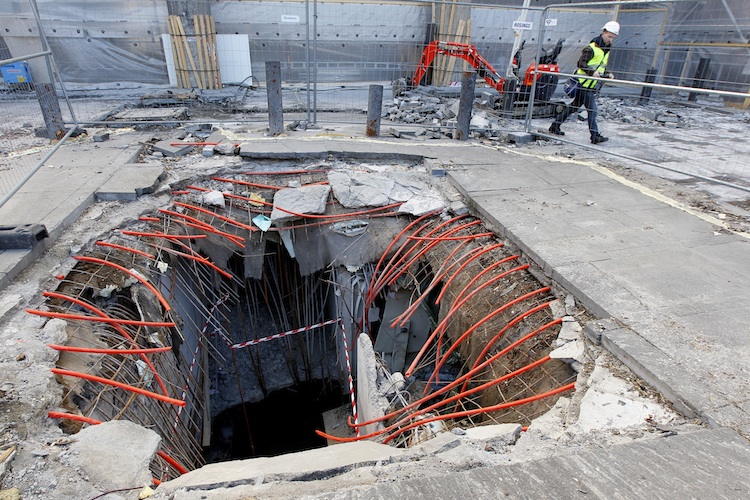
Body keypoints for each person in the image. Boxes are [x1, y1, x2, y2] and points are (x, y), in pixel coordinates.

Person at [549, 21, 620, 144]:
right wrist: (592, 72)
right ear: (603, 32)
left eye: (613, 37)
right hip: (583, 84)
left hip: (590, 84)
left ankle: (555, 125)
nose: (611, 40)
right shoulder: (591, 48)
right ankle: (594, 136)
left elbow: (600, 66)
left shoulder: (606, 48)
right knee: (592, 111)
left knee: (573, 107)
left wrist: (607, 73)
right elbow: (581, 63)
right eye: (609, 36)